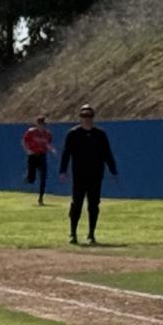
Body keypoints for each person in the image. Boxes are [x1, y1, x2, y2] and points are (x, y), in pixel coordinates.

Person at [59, 105, 118, 245]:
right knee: (76, 203)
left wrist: (113, 170)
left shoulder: (100, 134)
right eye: (84, 116)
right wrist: (63, 170)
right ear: (80, 118)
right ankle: (73, 233)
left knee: (94, 204)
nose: (86, 119)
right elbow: (66, 153)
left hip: (96, 174)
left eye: (89, 116)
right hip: (79, 174)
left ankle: (91, 234)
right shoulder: (73, 134)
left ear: (93, 118)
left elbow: (107, 154)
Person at [21, 115, 54, 205]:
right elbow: (24, 141)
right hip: (33, 156)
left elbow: (47, 144)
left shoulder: (48, 134)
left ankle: (41, 198)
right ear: (37, 124)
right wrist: (28, 150)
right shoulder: (31, 132)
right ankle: (28, 177)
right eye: (40, 124)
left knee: (43, 177)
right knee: (32, 179)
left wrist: (51, 149)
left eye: (43, 124)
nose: (41, 126)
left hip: (42, 156)